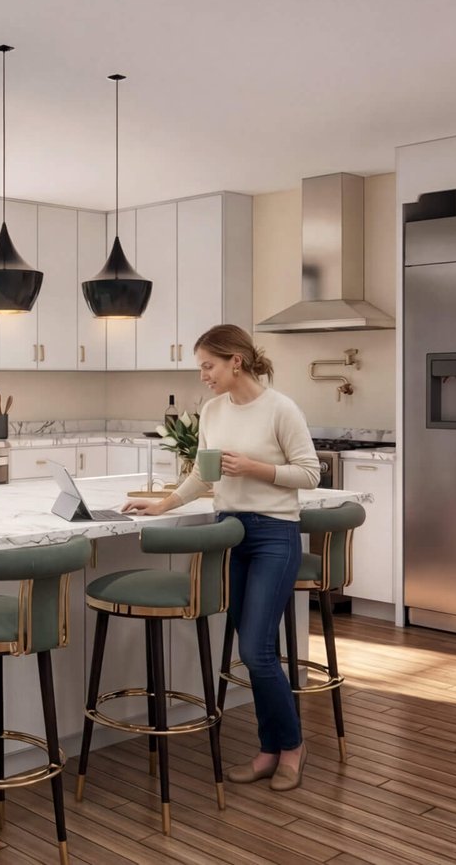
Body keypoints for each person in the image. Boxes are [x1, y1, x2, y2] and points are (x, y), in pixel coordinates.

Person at [122, 324, 320, 791]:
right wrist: (164, 503)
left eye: (208, 366)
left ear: (236, 361)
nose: (203, 376)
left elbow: (310, 473)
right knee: (248, 648)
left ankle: (291, 747)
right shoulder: (211, 411)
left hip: (274, 535)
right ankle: (269, 750)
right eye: (201, 368)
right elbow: (202, 476)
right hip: (227, 534)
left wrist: (256, 469)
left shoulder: (281, 409)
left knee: (257, 649)